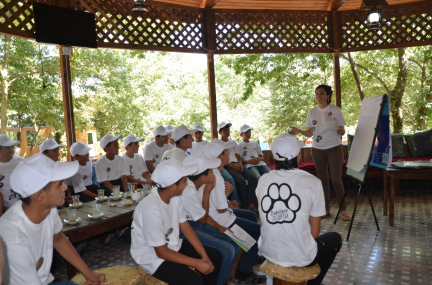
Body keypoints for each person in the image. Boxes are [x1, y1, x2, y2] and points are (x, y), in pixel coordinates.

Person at [0, 153, 105, 285]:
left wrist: (90, 275)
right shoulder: (13, 238)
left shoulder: (48, 208)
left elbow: (58, 239)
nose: (65, 188)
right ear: (39, 195)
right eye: (59, 184)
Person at [256, 133, 342, 285]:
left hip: (268, 250)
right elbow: (314, 233)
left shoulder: (263, 179)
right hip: (300, 257)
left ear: (275, 157)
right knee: (335, 239)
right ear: (298, 156)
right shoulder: (313, 182)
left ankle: (272, 278)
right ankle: (312, 282)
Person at [130, 159, 222, 285]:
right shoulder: (150, 209)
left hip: (172, 245)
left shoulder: (175, 197)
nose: (187, 183)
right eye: (184, 180)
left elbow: (185, 226)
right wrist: (197, 263)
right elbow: (161, 252)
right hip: (153, 257)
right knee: (194, 281)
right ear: (172, 187)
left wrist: (204, 256)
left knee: (215, 256)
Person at [204, 139, 265, 284]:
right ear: (219, 156)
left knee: (250, 215)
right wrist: (227, 197)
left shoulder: (213, 173)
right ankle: (244, 273)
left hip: (219, 212)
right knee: (257, 231)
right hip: (219, 218)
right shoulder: (216, 177)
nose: (229, 154)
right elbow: (220, 208)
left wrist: (227, 202)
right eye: (226, 152)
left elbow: (216, 203)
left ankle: (249, 254)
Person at [289, 85, 350, 221]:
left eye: (322, 93)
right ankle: (325, 209)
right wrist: (299, 131)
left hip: (334, 147)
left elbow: (342, 130)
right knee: (322, 180)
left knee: (336, 179)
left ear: (328, 95)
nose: (318, 96)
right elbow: (310, 133)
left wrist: (341, 131)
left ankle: (343, 209)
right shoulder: (312, 112)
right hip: (317, 149)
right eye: (316, 93)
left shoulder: (335, 110)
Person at [181, 152, 238, 285]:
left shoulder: (197, 185)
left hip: (198, 224)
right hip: (187, 229)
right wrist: (207, 193)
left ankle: (222, 279)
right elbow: (202, 219)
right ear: (202, 177)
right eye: (210, 171)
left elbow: (203, 217)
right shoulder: (189, 191)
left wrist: (220, 227)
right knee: (227, 250)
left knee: (234, 241)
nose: (214, 173)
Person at [218, 122, 258, 213]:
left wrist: (240, 164)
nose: (227, 132)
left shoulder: (233, 143)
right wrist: (233, 165)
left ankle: (251, 204)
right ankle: (243, 206)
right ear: (219, 132)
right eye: (225, 130)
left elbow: (239, 157)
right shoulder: (218, 143)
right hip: (228, 165)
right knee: (240, 180)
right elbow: (221, 160)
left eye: (228, 130)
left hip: (237, 164)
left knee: (252, 178)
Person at [0, 135, 23, 216]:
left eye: (12, 147)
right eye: (7, 147)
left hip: (26, 202)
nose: (12, 150)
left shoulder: (21, 161)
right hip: (7, 206)